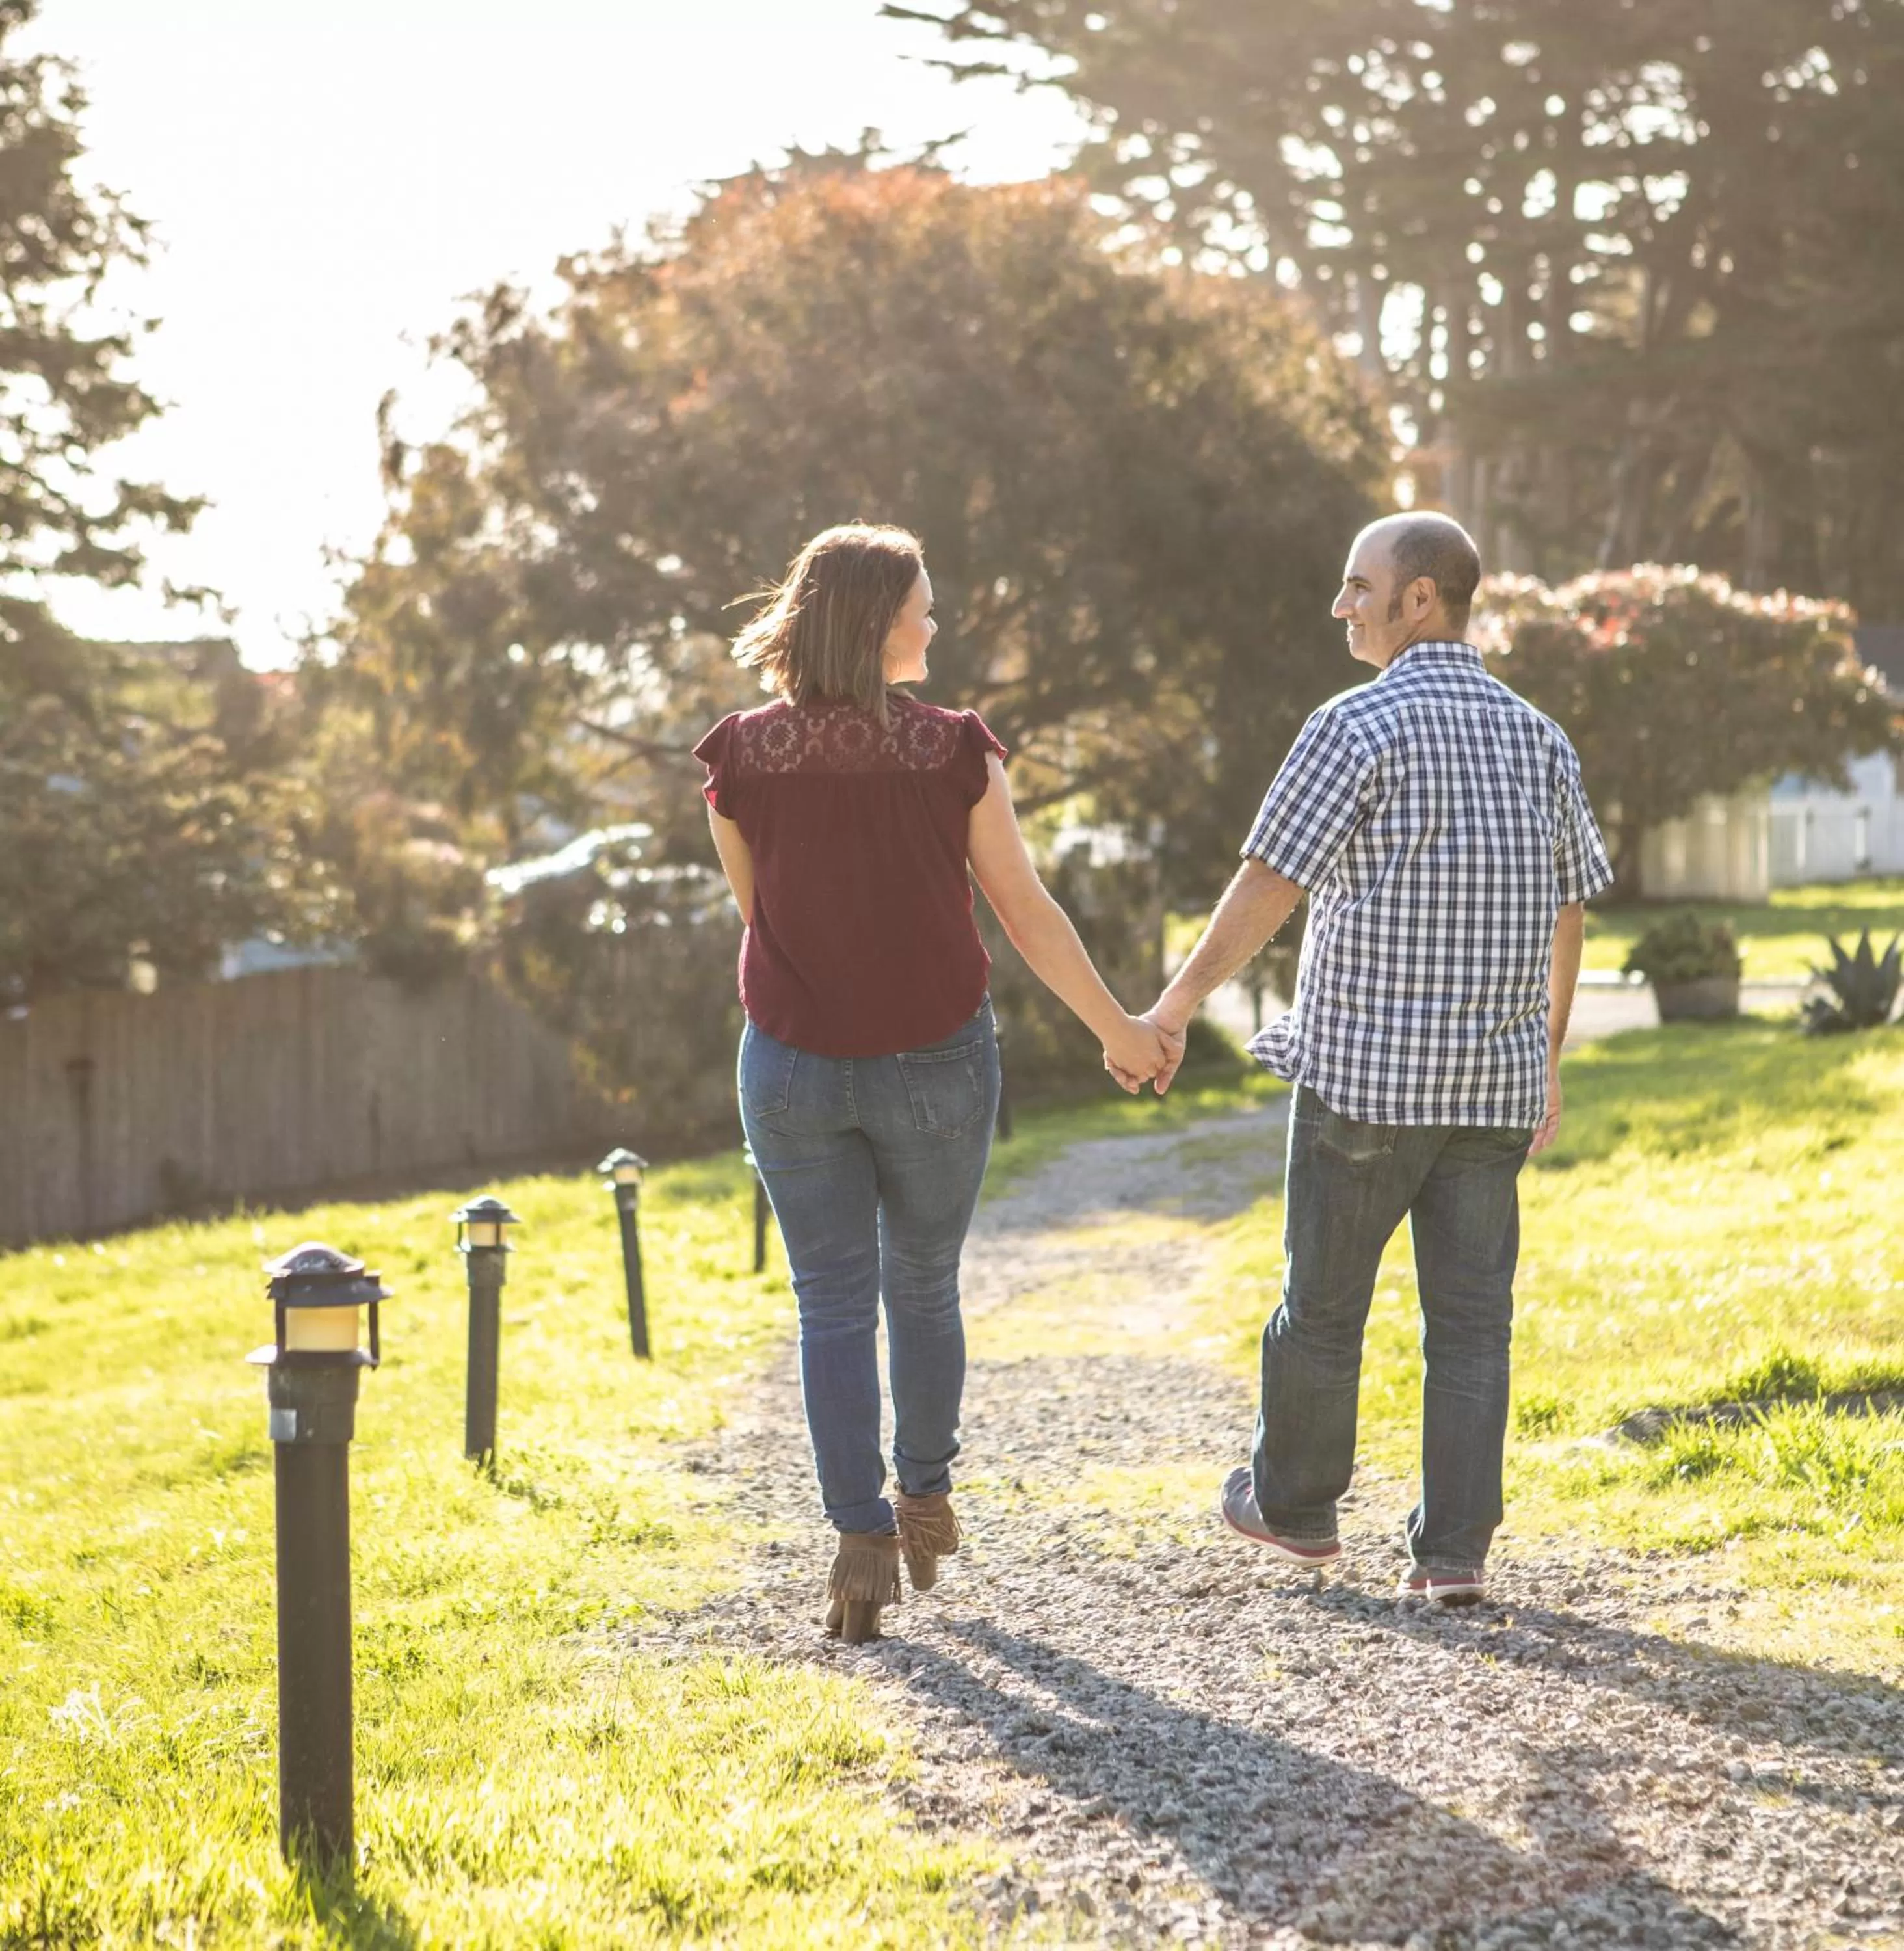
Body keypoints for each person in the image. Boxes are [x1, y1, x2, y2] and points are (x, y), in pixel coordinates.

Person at [696, 522, 1177, 1641]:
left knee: (827, 1303)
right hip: (935, 1064)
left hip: (790, 1067)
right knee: (920, 1283)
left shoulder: (739, 755)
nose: (935, 622)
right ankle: (922, 1493)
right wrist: (1121, 1030)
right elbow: (1023, 909)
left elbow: (759, 918)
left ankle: (860, 1539)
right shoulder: (955, 748)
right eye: (922, 605)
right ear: (874, 623)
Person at [1135, 511, 1612, 1606]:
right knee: (1472, 1327)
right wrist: (1546, 1057)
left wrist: (1174, 1003)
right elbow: (1569, 905)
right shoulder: (1540, 736)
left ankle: (1295, 1509)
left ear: (1421, 600)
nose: (1341, 606)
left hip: (1367, 1084)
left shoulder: (1355, 725)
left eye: (1359, 587)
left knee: (1324, 1307)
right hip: (1493, 1092)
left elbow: (1270, 880)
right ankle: (1454, 1555)